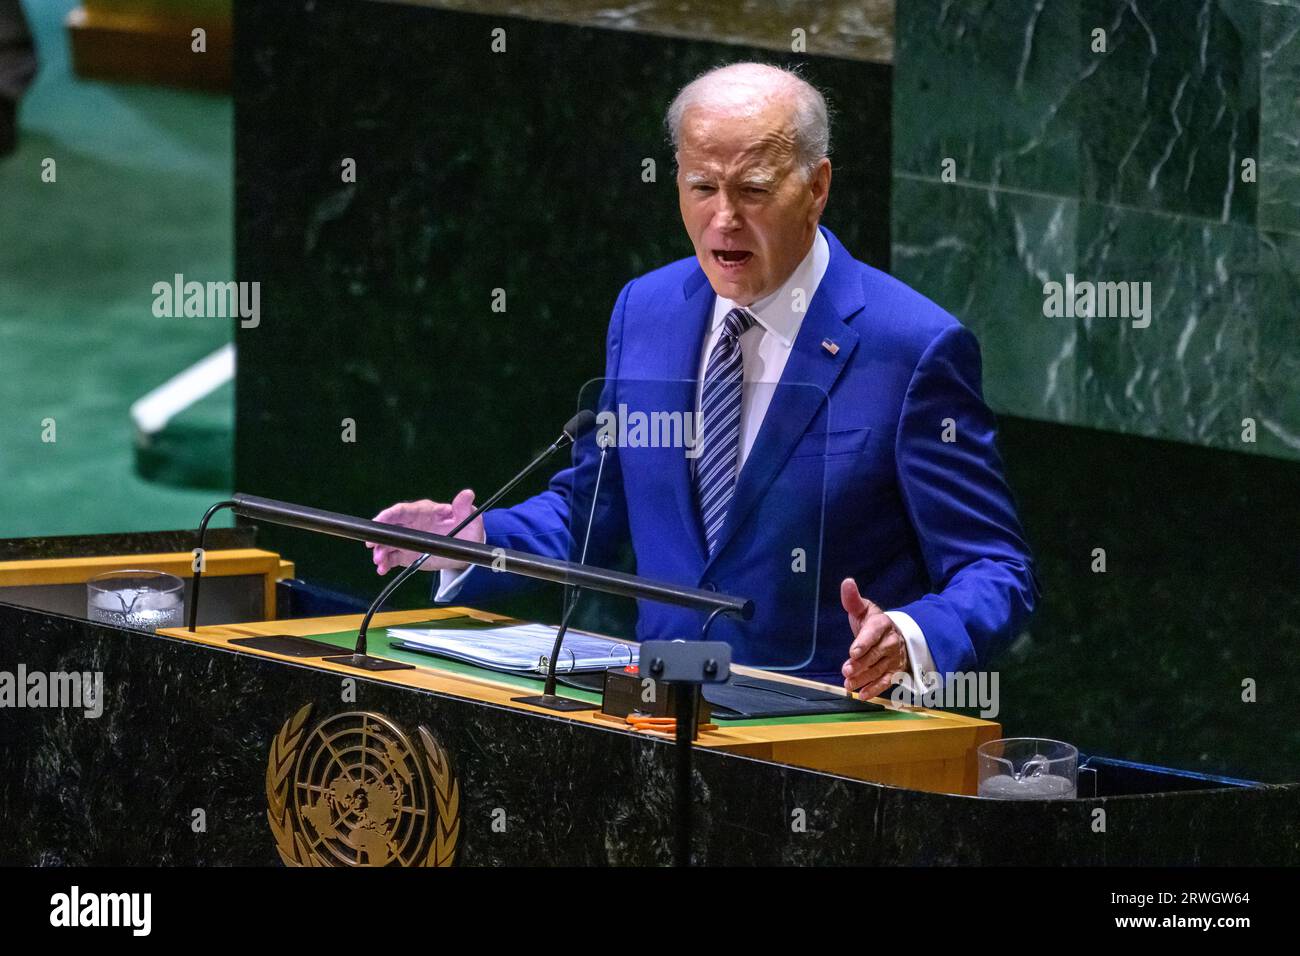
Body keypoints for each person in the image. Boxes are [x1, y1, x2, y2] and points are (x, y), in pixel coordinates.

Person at [369, 63, 1038, 696]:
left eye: (752, 189)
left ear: (817, 187)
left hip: (826, 739)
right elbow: (592, 505)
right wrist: (475, 541)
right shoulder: (648, 310)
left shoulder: (912, 348)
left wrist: (913, 637)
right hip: (661, 725)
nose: (724, 217)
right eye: (701, 187)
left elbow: (994, 569)